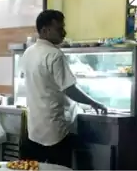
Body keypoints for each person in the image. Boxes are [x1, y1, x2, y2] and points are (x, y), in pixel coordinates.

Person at [20, 10, 107, 167]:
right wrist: (94, 103)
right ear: (45, 30)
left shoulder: (28, 52)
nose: (64, 33)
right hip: (54, 129)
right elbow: (69, 89)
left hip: (34, 128)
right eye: (59, 29)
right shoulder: (54, 55)